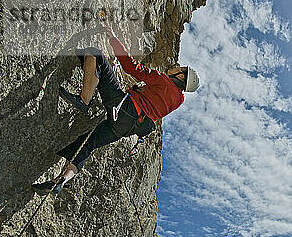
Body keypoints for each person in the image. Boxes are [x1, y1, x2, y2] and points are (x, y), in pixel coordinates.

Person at [33, 26, 199, 194]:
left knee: (95, 54)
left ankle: (84, 100)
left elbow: (131, 67)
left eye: (181, 69)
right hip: (126, 128)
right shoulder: (177, 100)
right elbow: (154, 104)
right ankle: (61, 180)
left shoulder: (163, 80)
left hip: (125, 108)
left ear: (181, 77)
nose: (177, 67)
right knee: (88, 143)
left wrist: (113, 39)